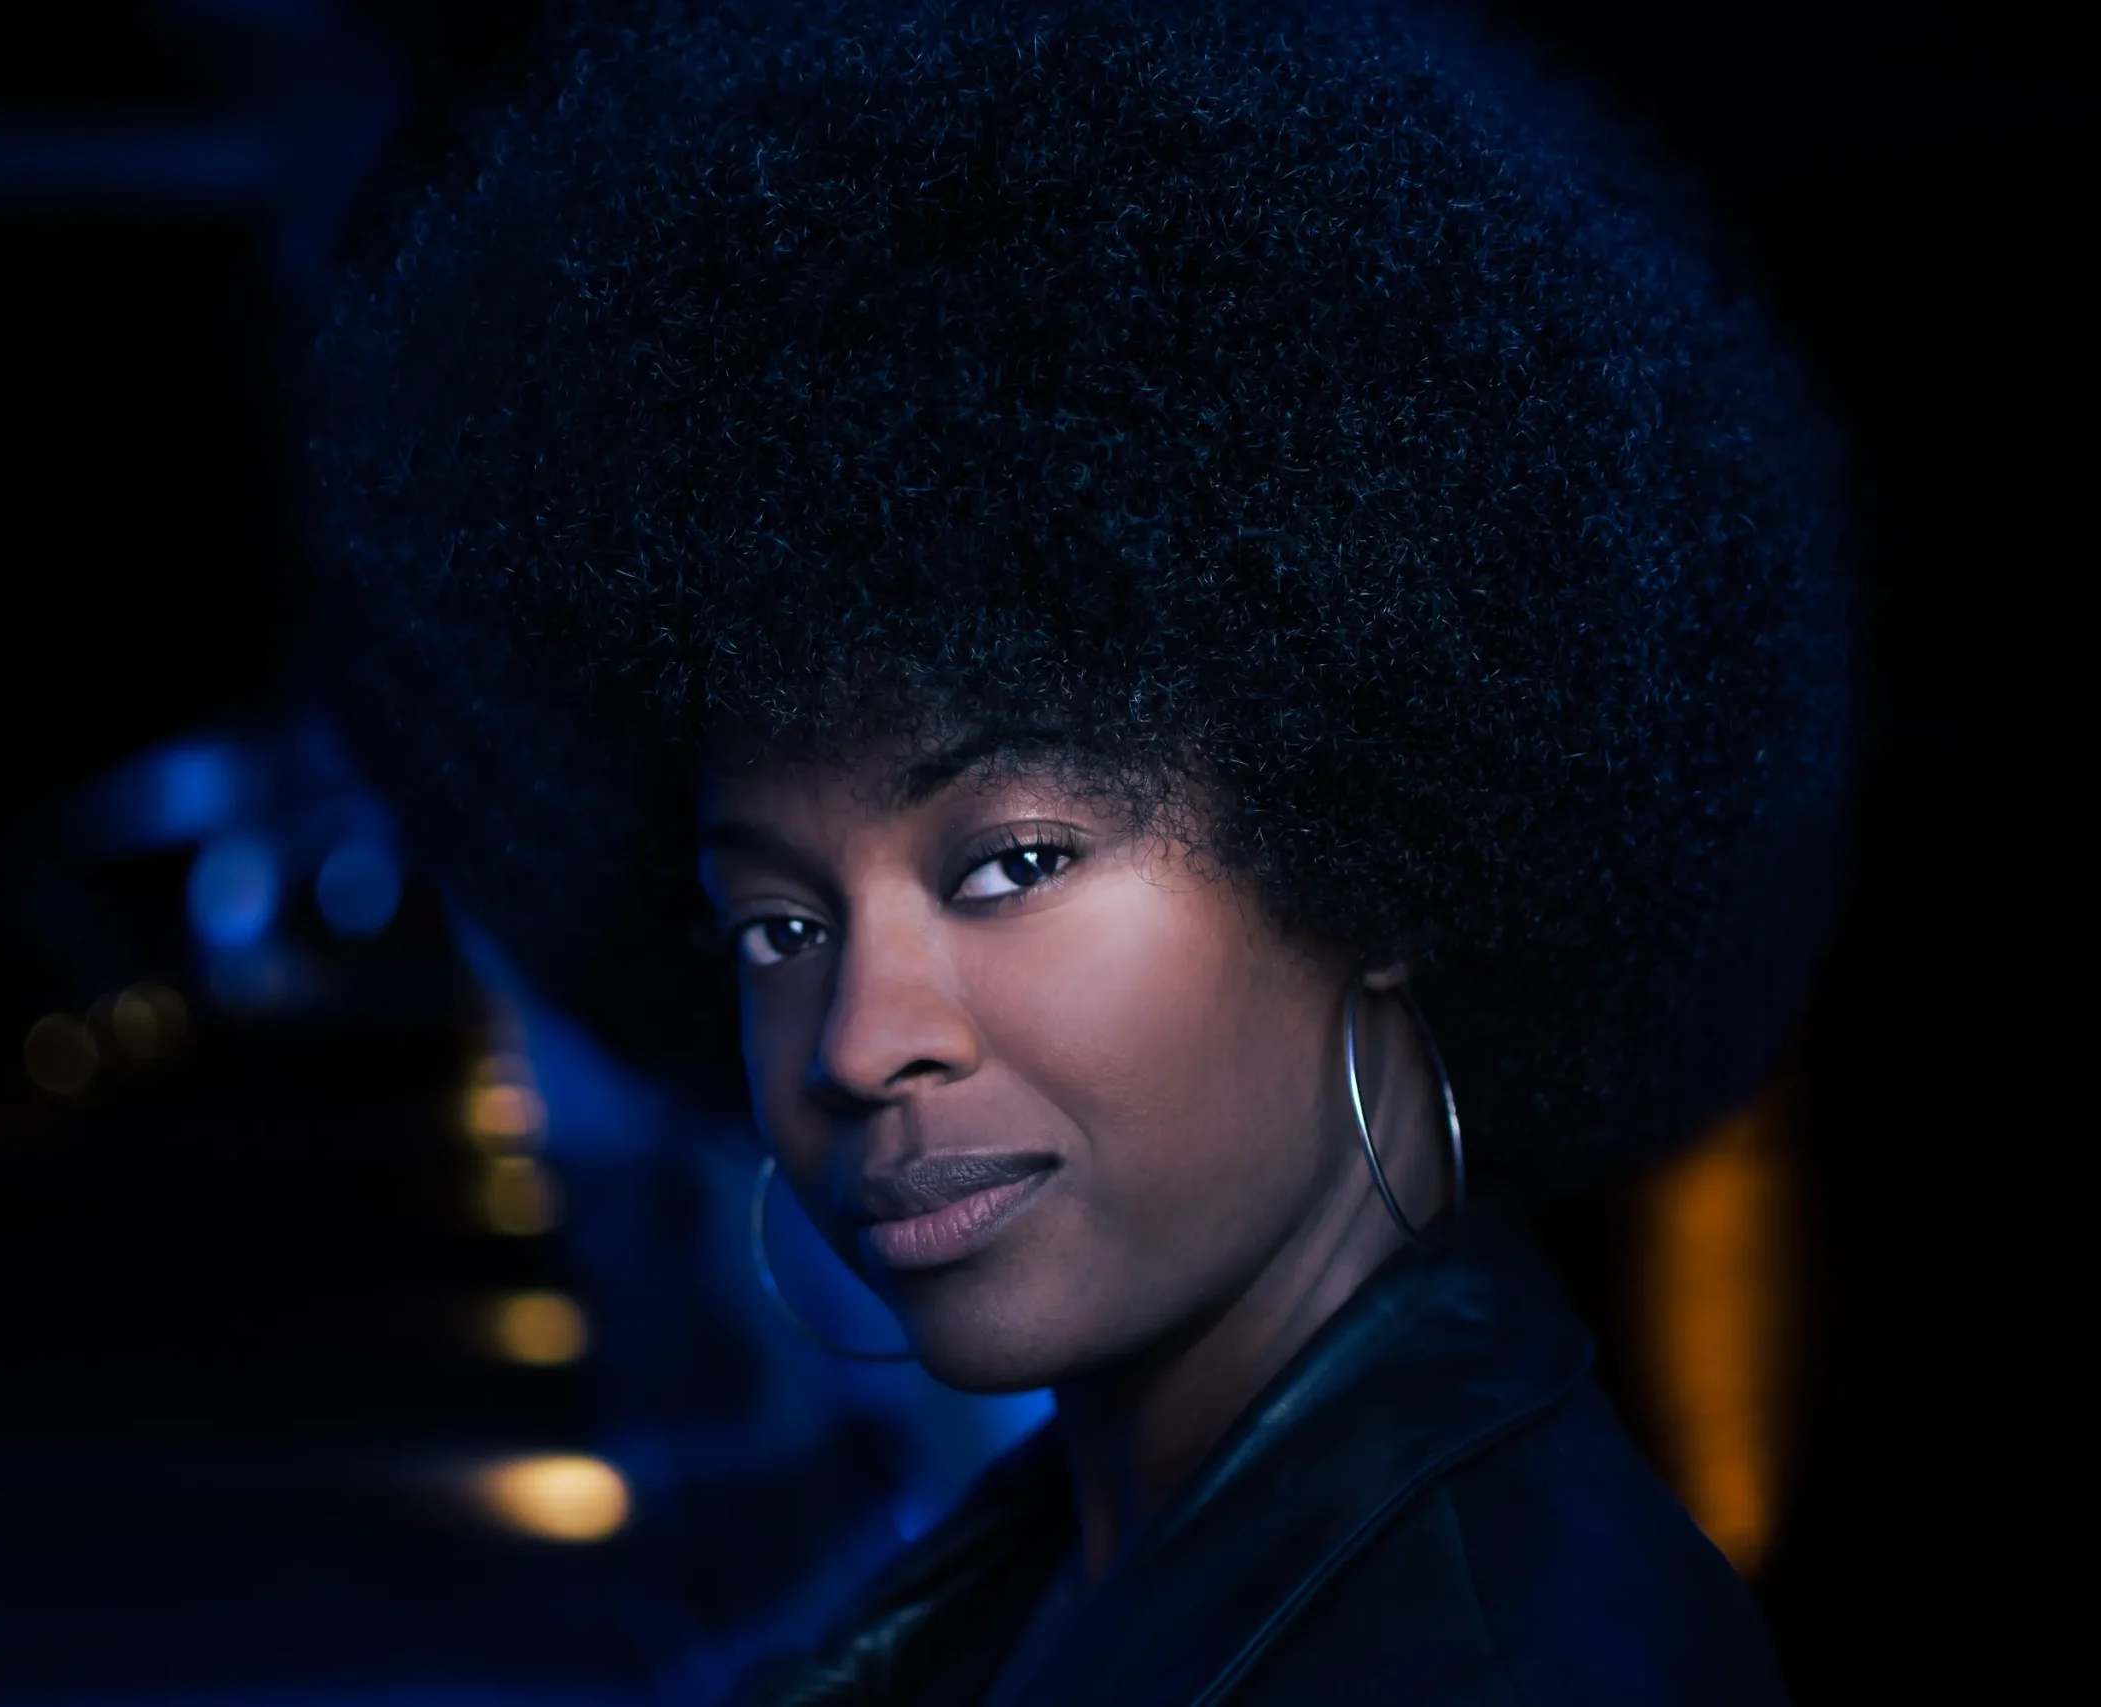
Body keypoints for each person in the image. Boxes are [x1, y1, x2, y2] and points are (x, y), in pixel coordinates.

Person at [307, 1, 1851, 1700]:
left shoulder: (1503, 1667)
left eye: (1014, 863)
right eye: (775, 926)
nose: (857, 1042)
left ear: (1381, 848)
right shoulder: (1068, 1568)